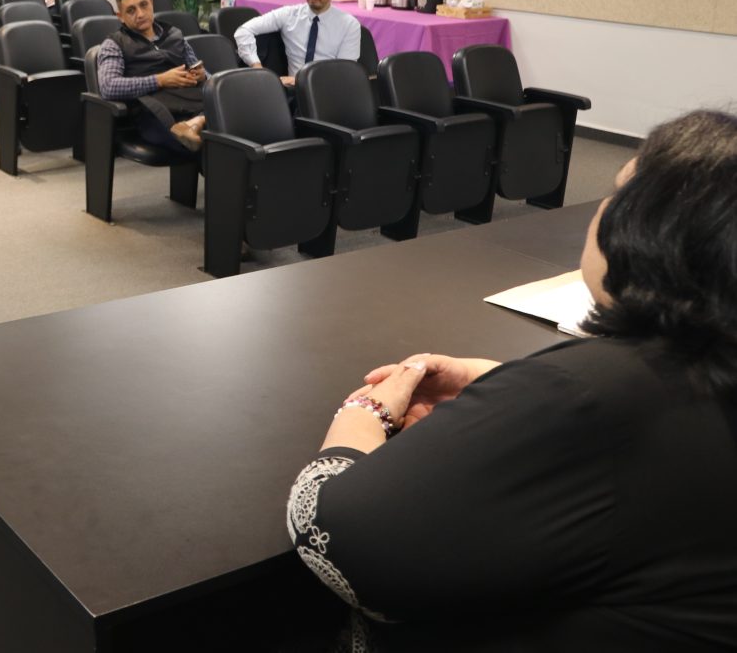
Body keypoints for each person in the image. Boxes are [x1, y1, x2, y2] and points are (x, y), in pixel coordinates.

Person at [286, 109, 737, 650]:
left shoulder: (590, 397)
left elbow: (335, 539)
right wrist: (503, 381)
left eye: (617, 195)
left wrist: (366, 413)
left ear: (649, 230)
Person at [95, 0, 207, 153]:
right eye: (131, 10)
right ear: (121, 17)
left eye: (143, 5)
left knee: (227, 124)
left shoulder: (174, 34)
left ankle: (197, 122)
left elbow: (198, 68)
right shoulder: (114, 44)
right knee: (214, 144)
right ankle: (198, 123)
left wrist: (201, 75)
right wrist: (160, 80)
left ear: (151, 4)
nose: (140, 14)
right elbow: (109, 86)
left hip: (189, 102)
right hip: (152, 113)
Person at [234, 0, 360, 86]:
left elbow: (345, 72)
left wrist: (301, 80)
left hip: (327, 90)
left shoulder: (349, 25)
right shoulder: (289, 15)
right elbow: (243, 31)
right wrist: (257, 67)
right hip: (292, 91)